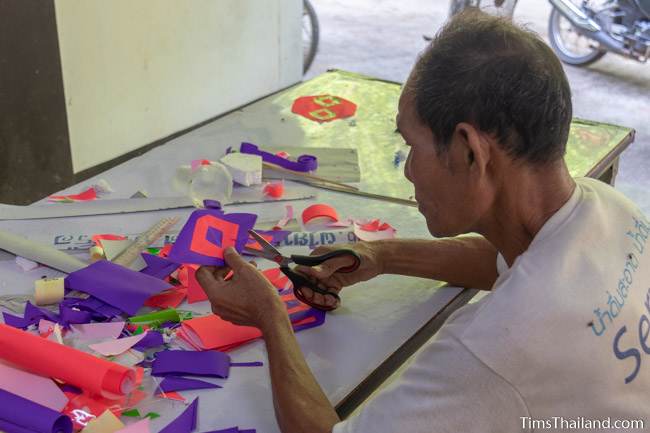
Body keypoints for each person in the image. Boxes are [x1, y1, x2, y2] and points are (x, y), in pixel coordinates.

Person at [197, 9, 650, 433]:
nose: (409, 170)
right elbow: (507, 260)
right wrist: (380, 255)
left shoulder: (495, 351)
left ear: (470, 151)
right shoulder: (609, 210)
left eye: (412, 146)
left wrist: (270, 317)